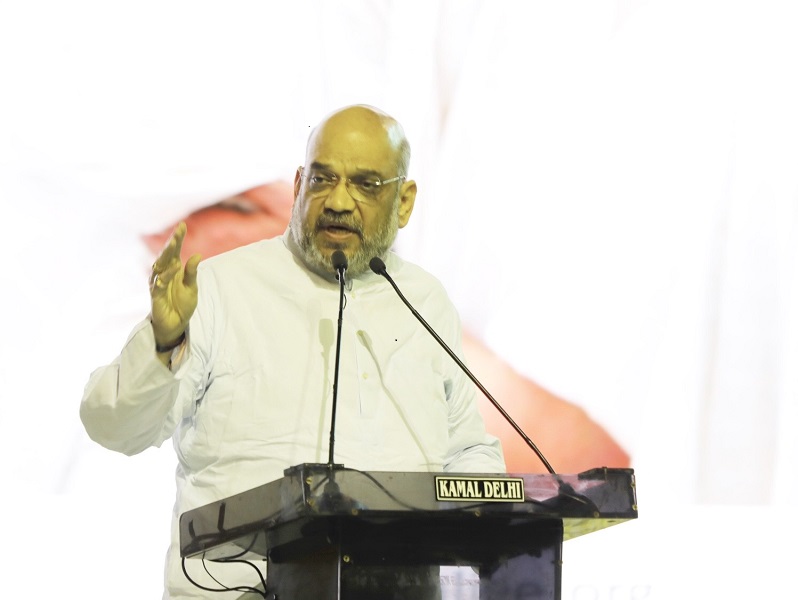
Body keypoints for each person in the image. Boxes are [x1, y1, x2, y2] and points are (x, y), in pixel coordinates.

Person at [80, 104, 506, 599]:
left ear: (405, 201)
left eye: (366, 184)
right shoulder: (221, 288)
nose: (339, 202)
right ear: (299, 185)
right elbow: (113, 426)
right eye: (323, 179)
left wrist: (496, 505)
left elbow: (465, 451)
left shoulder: (425, 301)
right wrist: (164, 341)